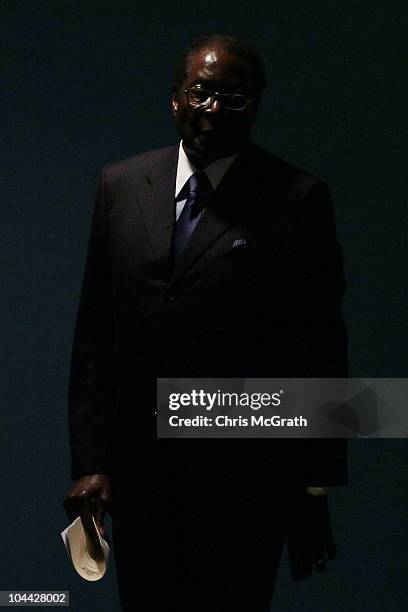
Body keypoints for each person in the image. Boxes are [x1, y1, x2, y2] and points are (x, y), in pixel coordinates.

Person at [64, 34, 348, 611]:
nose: (214, 108)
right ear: (175, 99)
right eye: (202, 91)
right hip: (141, 480)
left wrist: (314, 487)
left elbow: (320, 346)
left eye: (234, 96)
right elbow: (95, 337)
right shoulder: (119, 186)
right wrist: (91, 463)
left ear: (257, 105)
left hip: (245, 477)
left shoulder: (296, 199)